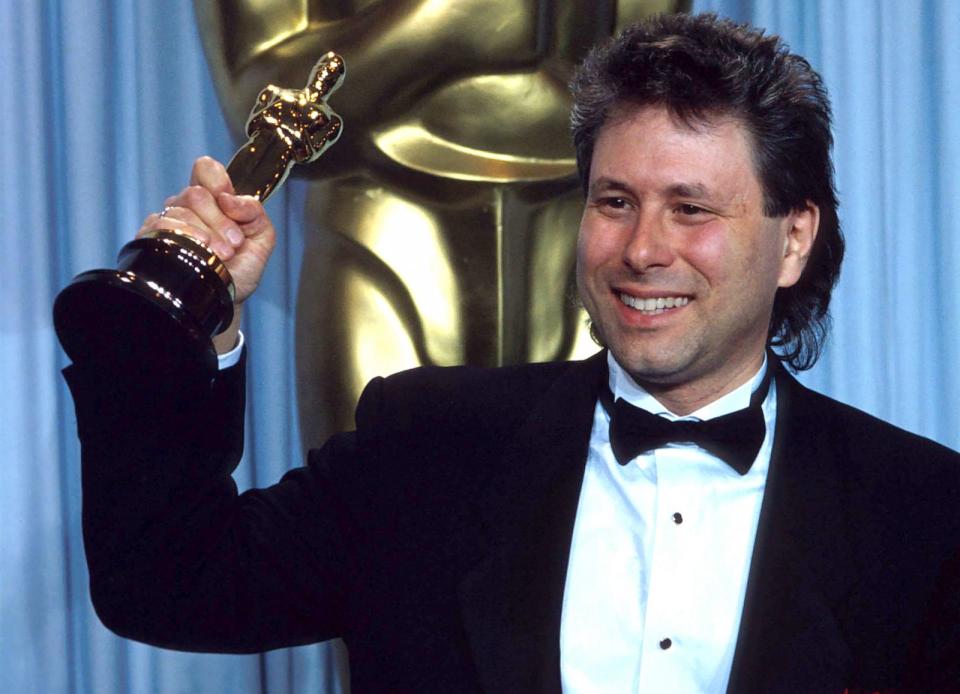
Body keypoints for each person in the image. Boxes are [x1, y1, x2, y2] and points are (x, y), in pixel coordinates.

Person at [65, 12, 960, 693]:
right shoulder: (426, 446)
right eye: (614, 201)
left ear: (794, 238)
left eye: (691, 208)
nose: (643, 249)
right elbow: (165, 583)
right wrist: (189, 322)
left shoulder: (921, 513)